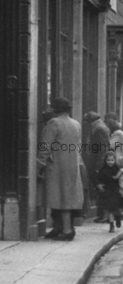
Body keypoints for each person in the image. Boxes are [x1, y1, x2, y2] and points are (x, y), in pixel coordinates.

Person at [37, 98, 84, 241]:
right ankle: (59, 228)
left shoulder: (54, 123)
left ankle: (67, 230)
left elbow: (45, 147)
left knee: (59, 196)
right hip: (72, 165)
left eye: (51, 107)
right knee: (67, 196)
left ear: (56, 109)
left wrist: (39, 164)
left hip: (57, 165)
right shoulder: (76, 124)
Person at [84, 111, 110, 223]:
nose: (88, 125)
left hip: (98, 163)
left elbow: (102, 149)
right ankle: (102, 214)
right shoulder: (102, 127)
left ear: (92, 122)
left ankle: (105, 215)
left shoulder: (99, 129)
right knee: (101, 189)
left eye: (89, 122)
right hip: (99, 162)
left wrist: (98, 166)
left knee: (101, 189)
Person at [96, 151, 122, 233]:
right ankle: (111, 226)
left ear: (115, 160)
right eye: (108, 160)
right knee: (110, 209)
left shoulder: (117, 169)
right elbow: (98, 178)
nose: (110, 162)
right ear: (105, 160)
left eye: (112, 160)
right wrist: (98, 185)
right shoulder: (103, 169)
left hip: (116, 191)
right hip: (107, 191)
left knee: (116, 208)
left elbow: (122, 179)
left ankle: (118, 217)